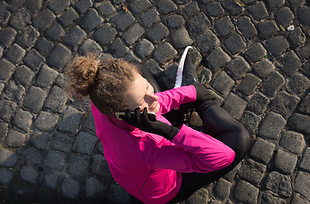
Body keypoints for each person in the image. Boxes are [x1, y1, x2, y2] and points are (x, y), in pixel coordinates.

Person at [66, 52, 252, 204]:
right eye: (142, 103)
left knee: (136, 69)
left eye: (147, 88)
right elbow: (222, 157)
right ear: (123, 113)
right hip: (167, 191)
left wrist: (190, 92)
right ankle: (197, 109)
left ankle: (180, 105)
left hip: (132, 167)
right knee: (240, 139)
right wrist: (171, 132)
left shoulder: (101, 102)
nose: (153, 98)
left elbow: (147, 97)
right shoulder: (148, 147)